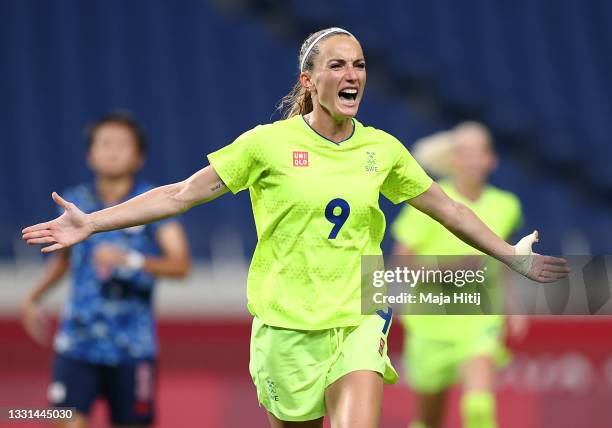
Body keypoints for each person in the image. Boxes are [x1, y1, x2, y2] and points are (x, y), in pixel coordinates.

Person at [22, 28, 568, 428]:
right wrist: (91, 222)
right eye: (336, 65)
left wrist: (508, 256)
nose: (351, 75)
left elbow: (448, 208)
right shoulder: (267, 144)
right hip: (284, 327)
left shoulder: (383, 150)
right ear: (309, 81)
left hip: (356, 317)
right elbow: (181, 194)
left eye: (357, 65)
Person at [21, 111, 191, 428]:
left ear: (139, 157)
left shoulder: (154, 203)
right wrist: (33, 298)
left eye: (123, 144)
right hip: (78, 343)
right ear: (89, 155)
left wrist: (131, 260)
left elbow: (181, 265)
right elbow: (63, 261)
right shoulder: (73, 202)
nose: (112, 150)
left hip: (133, 347)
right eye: (104, 143)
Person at [391, 122, 529, 428]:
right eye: (463, 152)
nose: (470, 160)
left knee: (479, 407)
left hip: (480, 320)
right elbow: (400, 264)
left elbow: (504, 261)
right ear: (452, 159)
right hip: (430, 324)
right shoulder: (428, 203)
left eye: (478, 152)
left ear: (490, 160)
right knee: (429, 420)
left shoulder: (506, 206)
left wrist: (513, 307)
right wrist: (447, 271)